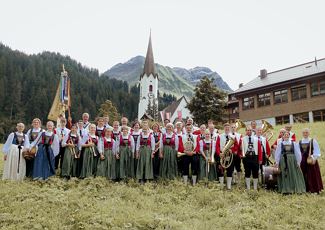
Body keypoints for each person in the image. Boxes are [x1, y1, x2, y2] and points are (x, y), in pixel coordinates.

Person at [299, 128, 323, 193]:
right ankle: (305, 189)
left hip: (310, 160)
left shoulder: (312, 141)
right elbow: (299, 152)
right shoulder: (300, 141)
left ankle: (314, 189)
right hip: (303, 161)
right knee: (304, 174)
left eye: (306, 132)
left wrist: (313, 158)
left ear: (309, 133)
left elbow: (317, 151)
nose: (305, 134)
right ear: (302, 133)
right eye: (304, 133)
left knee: (312, 174)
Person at [216, 123, 238, 189]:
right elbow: (217, 146)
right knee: (220, 170)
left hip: (230, 156)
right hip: (222, 155)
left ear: (230, 128)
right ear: (224, 128)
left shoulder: (233, 137)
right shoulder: (220, 136)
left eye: (228, 128)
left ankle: (229, 186)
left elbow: (236, 145)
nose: (227, 129)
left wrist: (233, 150)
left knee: (230, 170)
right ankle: (222, 185)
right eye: (226, 128)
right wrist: (219, 153)